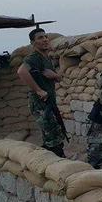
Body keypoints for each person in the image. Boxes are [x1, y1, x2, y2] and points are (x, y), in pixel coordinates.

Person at [17, 28, 66, 157]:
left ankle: (50, 158)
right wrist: (38, 90)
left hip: (49, 101)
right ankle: (58, 161)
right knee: (53, 135)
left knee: (52, 133)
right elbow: (21, 72)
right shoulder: (34, 58)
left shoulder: (46, 58)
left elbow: (52, 77)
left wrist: (54, 76)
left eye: (45, 37)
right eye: (40, 38)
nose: (44, 39)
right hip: (40, 103)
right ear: (33, 43)